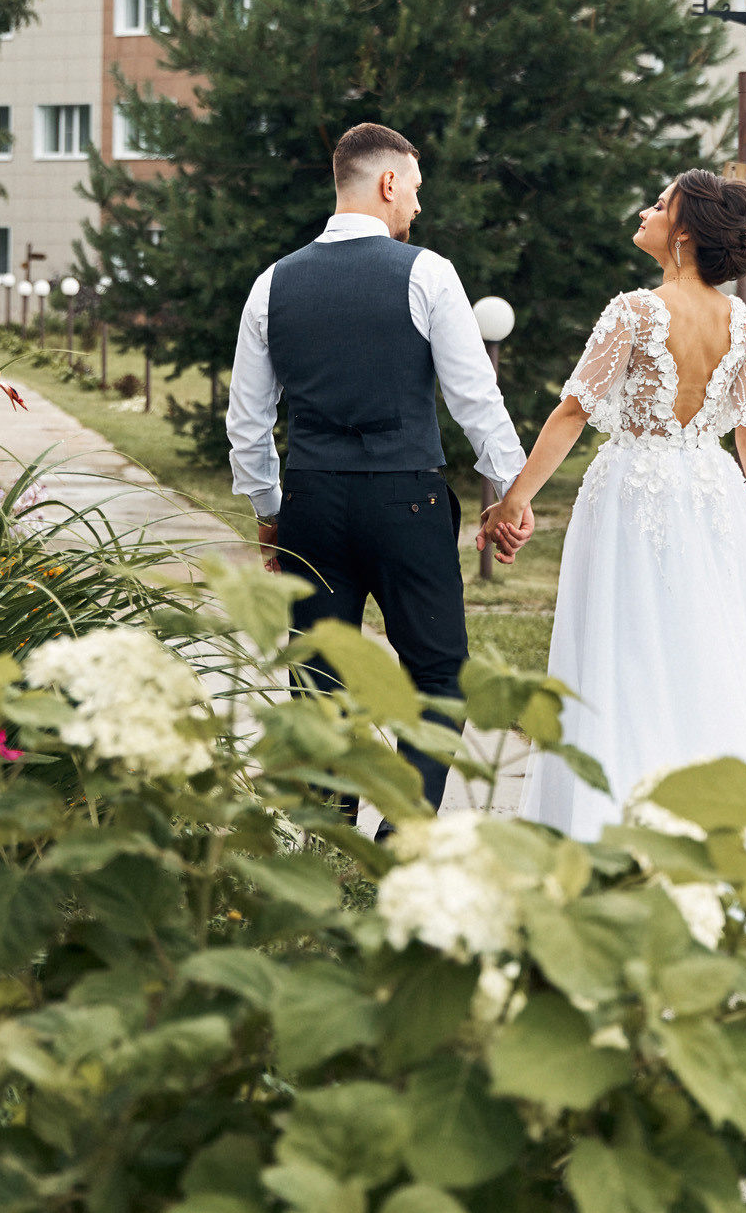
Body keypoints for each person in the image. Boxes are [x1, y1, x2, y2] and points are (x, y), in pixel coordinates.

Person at [481, 171, 746, 904]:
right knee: (709, 655)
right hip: (712, 500)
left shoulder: (633, 311)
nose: (645, 210)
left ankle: (618, 845)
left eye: (659, 204)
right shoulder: (744, 325)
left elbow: (573, 413)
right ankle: (731, 844)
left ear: (682, 232)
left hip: (630, 498)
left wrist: (513, 501)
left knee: (623, 657)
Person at [227, 122, 532, 808]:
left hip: (311, 506)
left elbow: (247, 423)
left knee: (319, 680)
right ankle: (405, 827)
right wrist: (509, 494)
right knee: (437, 676)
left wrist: (270, 513)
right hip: (406, 505)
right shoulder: (427, 273)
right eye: (415, 190)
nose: (417, 206)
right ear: (388, 182)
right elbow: (475, 398)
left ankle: (330, 834)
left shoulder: (272, 284)